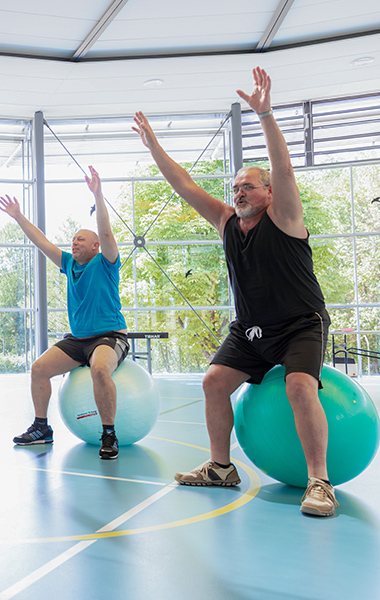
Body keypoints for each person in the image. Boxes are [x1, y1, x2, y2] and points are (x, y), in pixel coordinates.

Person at [133, 67, 336, 517]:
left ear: (268, 193)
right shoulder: (227, 223)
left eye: (248, 185)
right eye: (235, 186)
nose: (239, 190)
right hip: (252, 329)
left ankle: (320, 482)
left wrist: (264, 115)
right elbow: (183, 185)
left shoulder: (284, 217)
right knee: (212, 382)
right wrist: (154, 148)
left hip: (301, 323)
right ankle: (222, 469)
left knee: (301, 386)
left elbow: (283, 168)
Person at [1, 167, 129, 458]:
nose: (75, 243)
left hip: (109, 337)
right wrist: (19, 216)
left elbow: (106, 230)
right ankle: (42, 428)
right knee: (38, 369)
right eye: (73, 239)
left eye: (81, 239)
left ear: (96, 246)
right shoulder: (69, 263)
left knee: (99, 369)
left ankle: (109, 434)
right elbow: (41, 242)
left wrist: (97, 193)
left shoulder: (106, 262)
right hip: (78, 340)